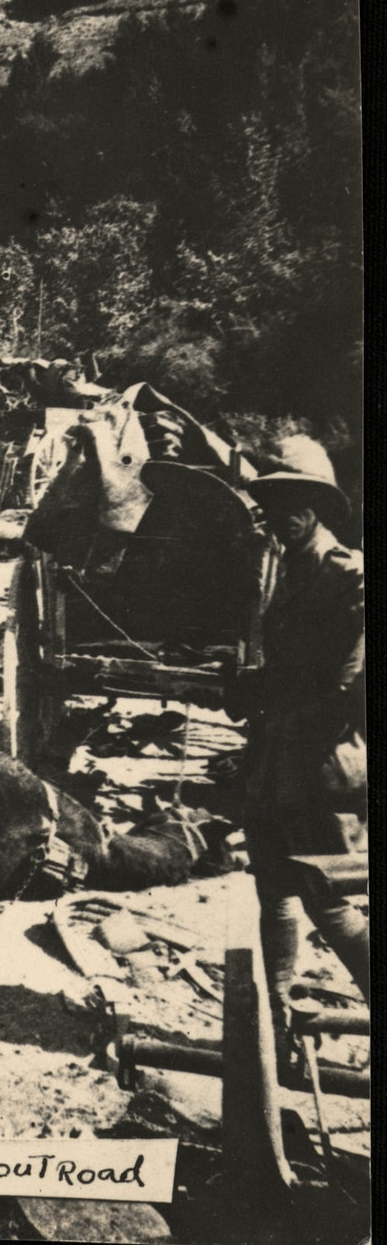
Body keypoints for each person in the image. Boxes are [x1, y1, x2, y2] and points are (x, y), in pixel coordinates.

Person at [243, 435, 368, 1027]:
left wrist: (285, 708)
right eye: (271, 506)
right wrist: (248, 690)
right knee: (275, 891)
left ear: (317, 507)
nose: (280, 517)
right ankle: (279, 1020)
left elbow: (349, 686)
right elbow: (285, 668)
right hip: (275, 760)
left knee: (328, 901)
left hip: (320, 764)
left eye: (294, 504)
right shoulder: (284, 570)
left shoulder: (347, 576)